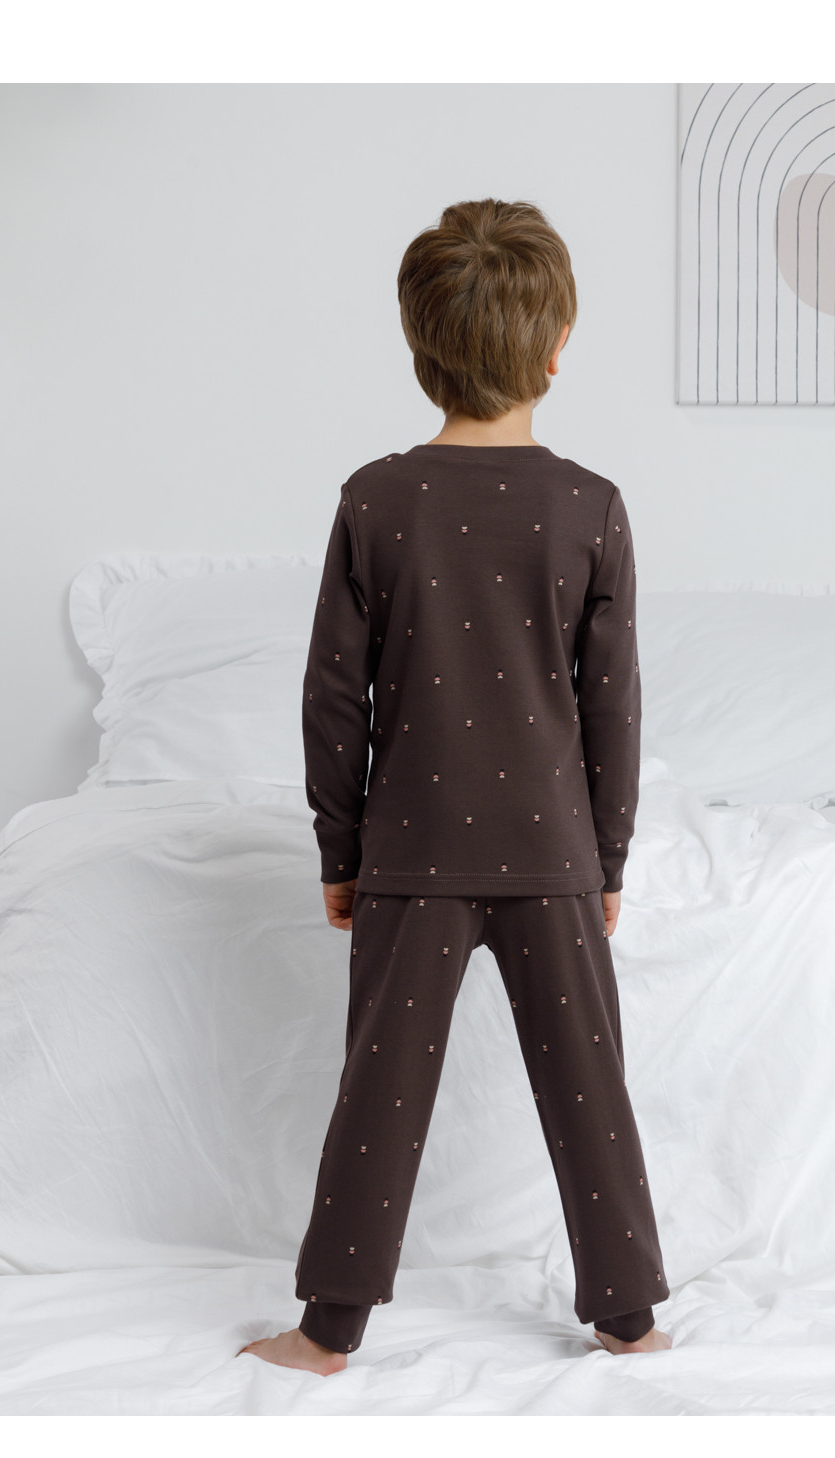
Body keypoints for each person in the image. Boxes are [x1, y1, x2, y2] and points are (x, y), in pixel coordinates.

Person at [239, 197, 672, 1375]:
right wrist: (607, 860)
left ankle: (328, 1333)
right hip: (552, 854)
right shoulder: (589, 507)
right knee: (589, 1088)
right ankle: (628, 1318)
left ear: (419, 345)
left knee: (377, 1091)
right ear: (556, 347)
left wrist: (341, 851)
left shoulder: (374, 499)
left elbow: (334, 699)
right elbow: (612, 708)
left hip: (411, 851)